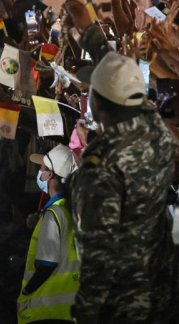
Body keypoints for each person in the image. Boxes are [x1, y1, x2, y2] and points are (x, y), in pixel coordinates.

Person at [69, 53, 177, 324]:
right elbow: (134, 99)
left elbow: (99, 254)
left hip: (120, 308)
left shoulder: (100, 166)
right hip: (163, 298)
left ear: (96, 102)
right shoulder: (160, 137)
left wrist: (86, 312)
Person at [17, 144, 81, 324]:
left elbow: (47, 264)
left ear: (51, 174)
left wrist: (27, 292)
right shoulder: (75, 210)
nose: (39, 172)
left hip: (46, 308)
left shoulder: (54, 215)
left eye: (42, 168)